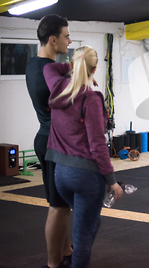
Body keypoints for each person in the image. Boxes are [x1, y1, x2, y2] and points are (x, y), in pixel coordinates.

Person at [43, 46, 123, 268]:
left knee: (87, 223)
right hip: (86, 177)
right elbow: (98, 145)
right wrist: (112, 181)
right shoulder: (91, 99)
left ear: (72, 64)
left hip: (61, 175)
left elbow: (49, 67)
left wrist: (74, 67)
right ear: (95, 68)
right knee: (83, 237)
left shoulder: (58, 87)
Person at [26, 14, 73, 268]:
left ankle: (66, 250)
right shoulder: (50, 71)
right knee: (58, 206)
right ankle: (54, 263)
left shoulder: (35, 64)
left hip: (46, 139)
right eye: (66, 36)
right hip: (54, 143)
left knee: (62, 205)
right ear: (53, 39)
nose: (70, 40)